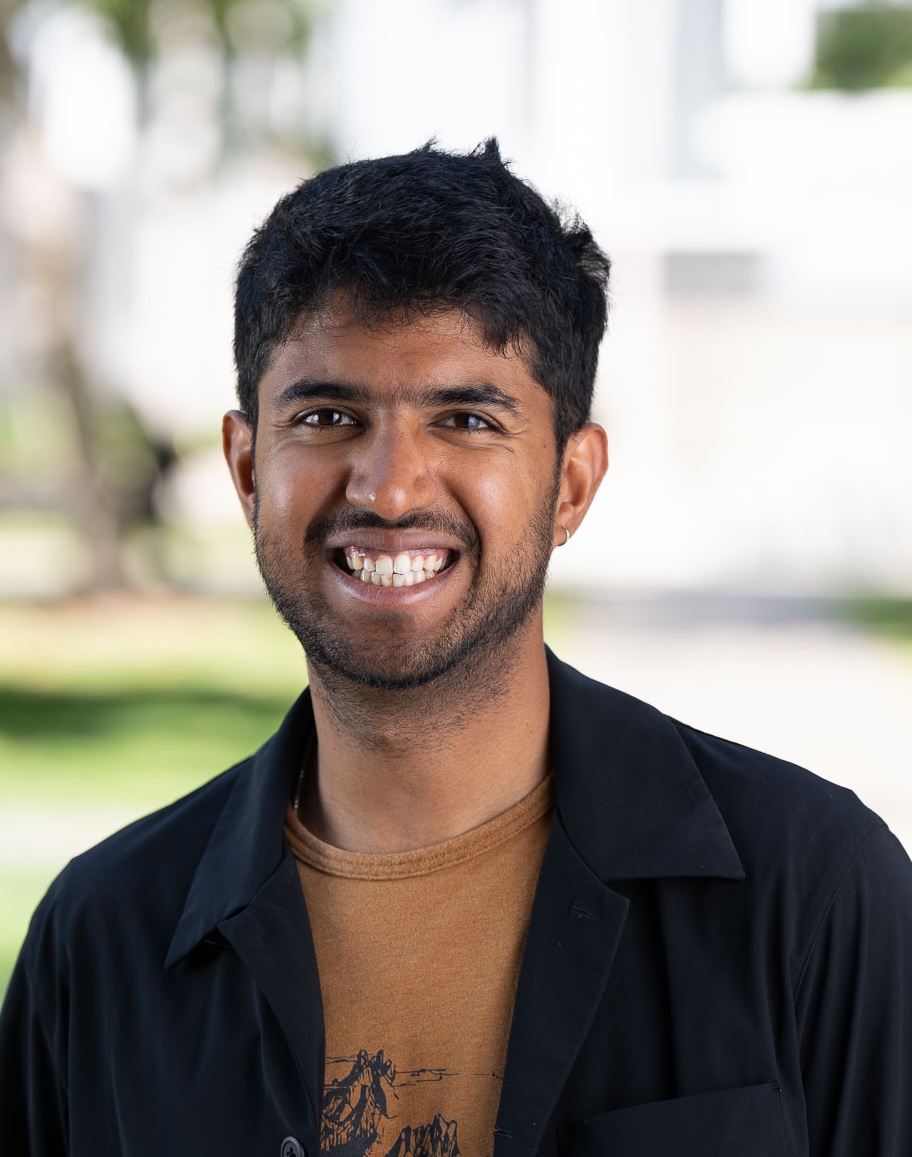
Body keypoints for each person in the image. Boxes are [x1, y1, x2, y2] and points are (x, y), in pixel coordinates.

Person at [1, 140, 910, 1157]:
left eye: (467, 418)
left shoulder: (815, 892)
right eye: (330, 415)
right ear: (248, 467)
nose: (389, 489)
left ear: (571, 483)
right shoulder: (100, 942)